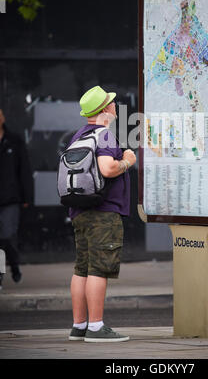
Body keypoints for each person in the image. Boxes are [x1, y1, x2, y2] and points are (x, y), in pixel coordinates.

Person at [68, 85, 136, 343]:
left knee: (81, 269)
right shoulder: (104, 136)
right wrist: (128, 160)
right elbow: (107, 169)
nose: (115, 106)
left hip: (80, 211)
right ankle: (96, 327)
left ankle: (79, 325)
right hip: (103, 212)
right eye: (111, 102)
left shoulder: (78, 136)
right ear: (105, 109)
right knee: (99, 268)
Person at [0, 109, 33, 289]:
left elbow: (25, 170)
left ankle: (14, 265)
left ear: (3, 117)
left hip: (10, 198)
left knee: (7, 236)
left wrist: (27, 196)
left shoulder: (15, 140)